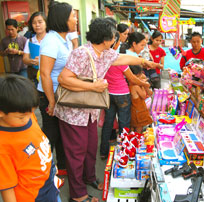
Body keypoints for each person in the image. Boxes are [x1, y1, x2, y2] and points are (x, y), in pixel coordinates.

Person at [56, 18, 161, 202]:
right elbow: (64, 79)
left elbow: (122, 58)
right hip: (73, 113)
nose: (116, 38)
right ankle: (77, 194)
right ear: (106, 38)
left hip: (90, 111)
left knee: (90, 148)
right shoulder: (82, 53)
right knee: (76, 152)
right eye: (114, 35)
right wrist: (93, 87)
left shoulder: (104, 53)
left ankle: (89, 178)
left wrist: (145, 62)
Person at [0, 74, 61, 202]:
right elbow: (7, 187)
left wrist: (51, 168)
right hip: (32, 196)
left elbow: (37, 140)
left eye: (32, 112)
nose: (28, 119)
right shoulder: (3, 145)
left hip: (49, 183)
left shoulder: (26, 115)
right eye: (22, 117)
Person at [38, 1, 77, 177]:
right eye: (72, 16)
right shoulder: (51, 41)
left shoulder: (63, 39)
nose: (75, 19)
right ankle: (41, 171)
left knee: (61, 134)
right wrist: (51, 102)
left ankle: (62, 167)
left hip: (59, 94)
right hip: (49, 95)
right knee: (50, 136)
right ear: (63, 19)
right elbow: (45, 74)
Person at [100, 32, 151, 159]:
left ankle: (103, 151)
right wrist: (144, 84)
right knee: (124, 123)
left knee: (108, 122)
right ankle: (125, 151)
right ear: (114, 42)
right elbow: (132, 79)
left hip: (108, 94)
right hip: (122, 95)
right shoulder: (118, 59)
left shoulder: (102, 57)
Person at [23, 12, 48, 86]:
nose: (37, 25)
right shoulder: (30, 41)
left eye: (40, 22)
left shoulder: (52, 39)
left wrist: (42, 61)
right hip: (35, 76)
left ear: (46, 23)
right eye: (34, 23)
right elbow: (25, 59)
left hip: (50, 75)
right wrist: (32, 61)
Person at [129, 65, 153, 133]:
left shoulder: (130, 84)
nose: (141, 77)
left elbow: (150, 93)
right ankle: (136, 140)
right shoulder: (136, 86)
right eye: (139, 75)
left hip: (135, 110)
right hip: (138, 111)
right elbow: (143, 96)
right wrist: (143, 85)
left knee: (133, 128)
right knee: (138, 128)